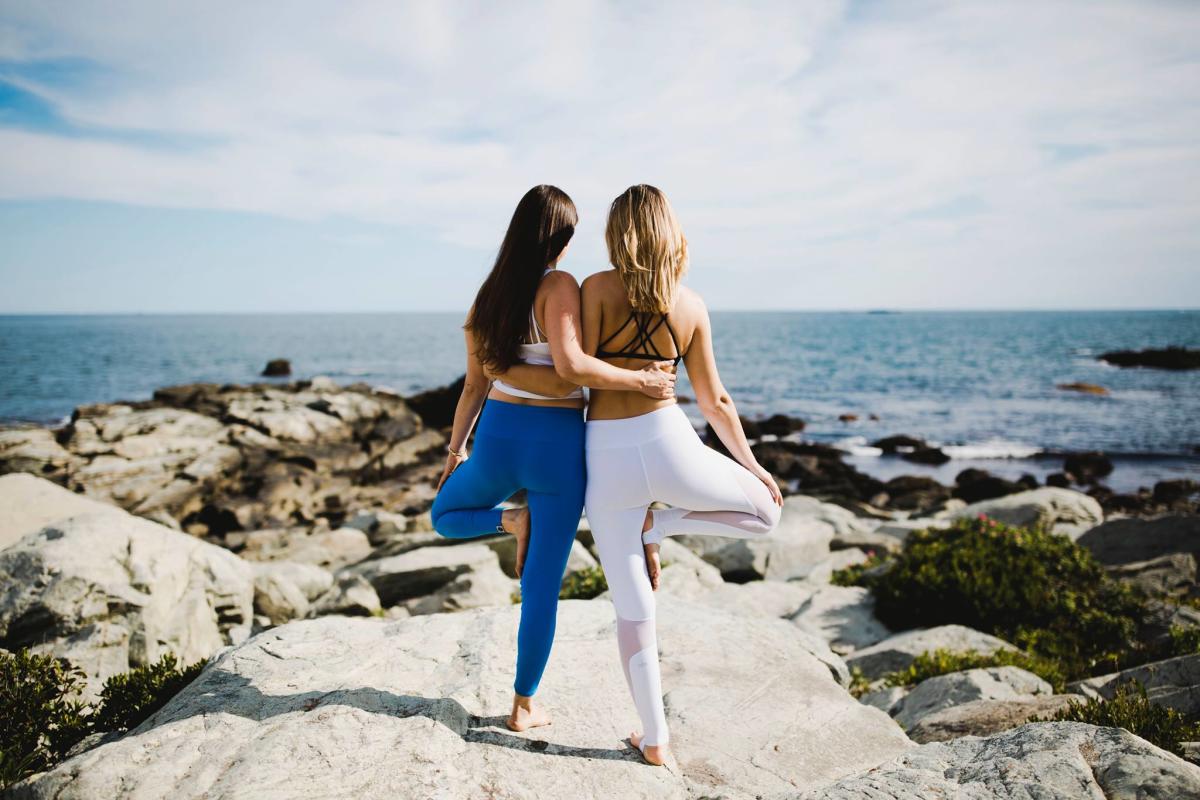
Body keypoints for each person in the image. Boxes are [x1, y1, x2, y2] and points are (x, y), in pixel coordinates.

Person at [495, 184, 783, 766]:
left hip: (606, 460)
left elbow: (573, 375)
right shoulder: (691, 304)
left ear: (616, 232)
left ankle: (655, 740)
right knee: (766, 513)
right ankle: (665, 524)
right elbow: (716, 402)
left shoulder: (592, 289)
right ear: (669, 232)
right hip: (669, 442)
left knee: (633, 611)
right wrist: (751, 465)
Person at [430, 184, 676, 733]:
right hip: (557, 449)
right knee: (541, 586)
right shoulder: (560, 285)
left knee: (442, 517)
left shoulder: (486, 297)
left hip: (496, 435)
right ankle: (523, 706)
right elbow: (570, 368)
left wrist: (457, 450)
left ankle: (508, 520)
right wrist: (639, 379)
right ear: (560, 237)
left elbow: (472, 386)